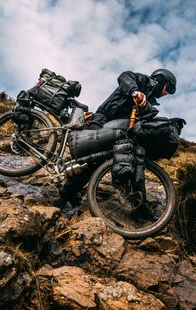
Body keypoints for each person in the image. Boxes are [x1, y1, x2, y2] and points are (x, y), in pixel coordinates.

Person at [54, 68, 177, 208]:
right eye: (169, 88)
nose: (167, 93)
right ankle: (65, 195)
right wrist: (134, 91)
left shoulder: (150, 102)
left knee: (100, 162)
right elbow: (125, 76)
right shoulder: (142, 81)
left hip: (118, 133)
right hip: (102, 120)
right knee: (91, 160)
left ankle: (139, 205)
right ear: (161, 80)